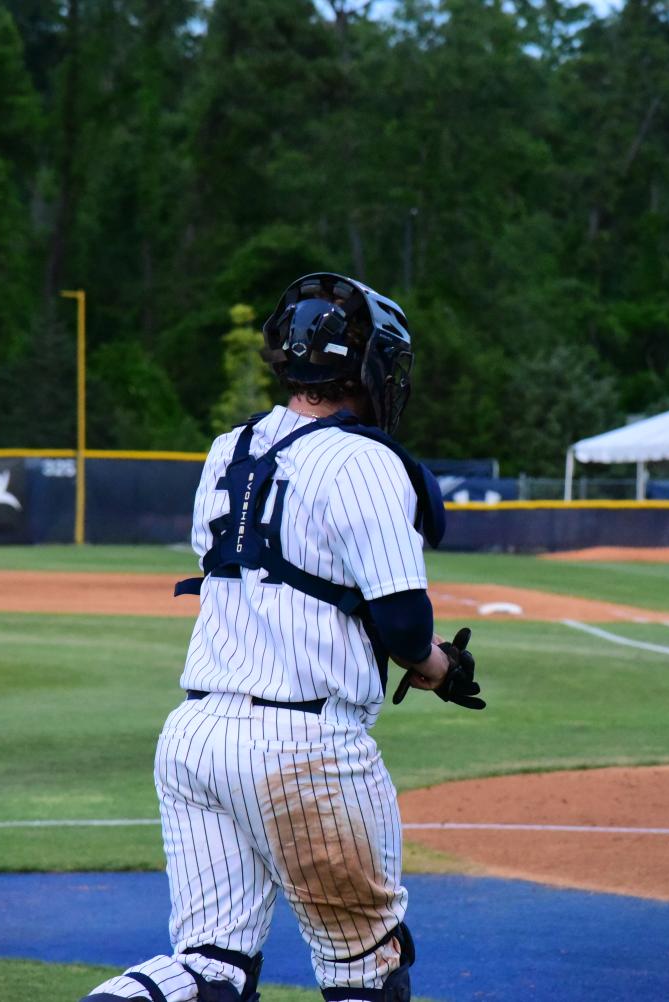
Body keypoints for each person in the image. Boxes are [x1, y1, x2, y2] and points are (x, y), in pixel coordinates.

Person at [80, 274, 483, 1002]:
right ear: (362, 368)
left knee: (210, 967)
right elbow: (403, 626)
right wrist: (438, 668)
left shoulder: (228, 448)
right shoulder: (364, 460)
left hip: (195, 738)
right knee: (368, 966)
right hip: (303, 752)